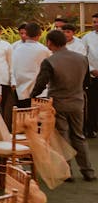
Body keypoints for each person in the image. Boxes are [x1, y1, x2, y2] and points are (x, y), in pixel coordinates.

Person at [29, 29, 94, 181]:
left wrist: (32, 95)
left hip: (58, 103)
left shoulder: (50, 61)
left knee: (62, 138)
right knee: (79, 136)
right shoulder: (82, 59)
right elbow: (87, 82)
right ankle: (88, 171)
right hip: (78, 102)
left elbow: (41, 83)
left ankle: (67, 172)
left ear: (50, 42)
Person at [12, 23, 50, 109]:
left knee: (23, 116)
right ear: (40, 34)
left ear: (26, 33)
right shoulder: (44, 50)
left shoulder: (16, 49)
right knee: (40, 117)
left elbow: (13, 70)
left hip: (21, 91)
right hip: (40, 93)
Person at [85, 13, 98, 138]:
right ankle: (92, 129)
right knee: (93, 104)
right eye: (94, 22)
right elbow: (83, 56)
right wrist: (92, 69)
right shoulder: (87, 38)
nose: (96, 24)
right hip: (93, 76)